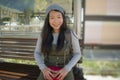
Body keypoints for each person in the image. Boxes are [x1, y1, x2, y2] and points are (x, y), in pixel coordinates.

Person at [34, 4, 81, 80]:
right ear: (48, 20)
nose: (56, 21)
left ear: (63, 18)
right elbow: (37, 53)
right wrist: (43, 68)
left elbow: (77, 54)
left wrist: (67, 69)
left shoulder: (70, 34)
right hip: (47, 70)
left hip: (65, 70)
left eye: (59, 17)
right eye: (52, 18)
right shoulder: (43, 34)